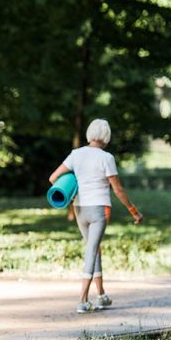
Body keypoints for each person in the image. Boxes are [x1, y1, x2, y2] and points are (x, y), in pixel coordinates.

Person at [49, 119, 143, 314]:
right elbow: (117, 189)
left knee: (94, 248)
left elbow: (53, 178)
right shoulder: (106, 158)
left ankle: (101, 295)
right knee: (92, 250)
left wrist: (72, 191)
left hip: (79, 209)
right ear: (106, 136)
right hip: (99, 210)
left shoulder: (76, 154)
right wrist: (133, 211)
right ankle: (82, 300)